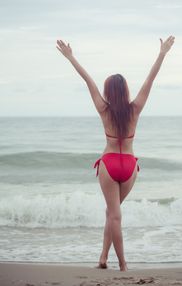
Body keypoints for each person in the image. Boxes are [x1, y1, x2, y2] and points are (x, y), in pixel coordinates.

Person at [56, 35, 175, 271]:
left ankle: (122, 265)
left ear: (109, 91)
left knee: (113, 215)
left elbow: (87, 79)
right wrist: (162, 53)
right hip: (129, 166)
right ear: (126, 90)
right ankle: (103, 258)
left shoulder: (103, 109)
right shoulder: (136, 108)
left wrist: (71, 58)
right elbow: (151, 79)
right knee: (114, 214)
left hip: (109, 165)